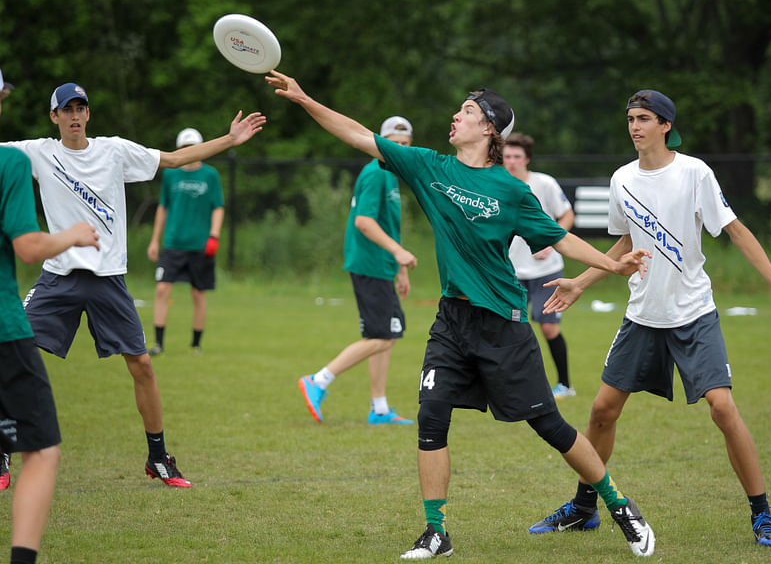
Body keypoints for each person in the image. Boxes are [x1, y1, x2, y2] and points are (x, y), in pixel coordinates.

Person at [266, 70, 656, 559]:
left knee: (551, 427)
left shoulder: (510, 190)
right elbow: (357, 134)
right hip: (452, 322)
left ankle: (621, 507)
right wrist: (304, 99)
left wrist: (611, 264)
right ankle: (436, 532)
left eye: (467, 112)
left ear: (491, 129)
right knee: (431, 420)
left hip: (503, 324)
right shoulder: (430, 166)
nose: (455, 116)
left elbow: (560, 238)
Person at [534, 89, 771, 547]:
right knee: (602, 411)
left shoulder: (694, 172)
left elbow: (736, 229)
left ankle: (762, 512)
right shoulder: (621, 178)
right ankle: (585, 508)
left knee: (723, 409)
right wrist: (580, 283)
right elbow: (625, 242)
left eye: (644, 118)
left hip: (693, 314)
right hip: (642, 315)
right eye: (630, 119)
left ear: (665, 125)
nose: (635, 127)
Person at [1, 81, 265, 488]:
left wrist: (229, 140)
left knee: (142, 365)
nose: (74, 116)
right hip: (58, 278)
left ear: (88, 114)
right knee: (8, 351)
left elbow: (176, 159)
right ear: (53, 117)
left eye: (80, 108)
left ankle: (158, 457)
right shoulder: (38, 153)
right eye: (66, 110)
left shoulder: (114, 151)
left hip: (108, 280)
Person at [0, 67, 100, 564]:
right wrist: (71, 236)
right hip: (2, 328)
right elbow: (27, 247)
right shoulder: (9, 163)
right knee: (41, 451)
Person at [298, 116, 419, 426]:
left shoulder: (390, 174)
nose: (401, 149)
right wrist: (398, 253)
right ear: (380, 142)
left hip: (382, 267)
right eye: (395, 143)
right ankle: (318, 380)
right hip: (370, 265)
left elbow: (388, 225)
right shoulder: (377, 173)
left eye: (406, 145)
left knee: (386, 335)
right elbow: (364, 222)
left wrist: (400, 269)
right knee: (383, 335)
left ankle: (379, 409)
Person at [502, 132, 576, 399]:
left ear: (527, 159)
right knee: (512, 328)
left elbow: (567, 214)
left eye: (517, 157)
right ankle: (515, 385)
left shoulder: (543, 183)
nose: (511, 161)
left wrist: (552, 240)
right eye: (507, 156)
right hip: (511, 271)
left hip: (546, 271)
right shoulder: (497, 185)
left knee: (548, 327)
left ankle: (565, 385)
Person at [146, 127, 225, 356]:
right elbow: (163, 207)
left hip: (200, 245)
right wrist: (154, 240)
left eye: (193, 147)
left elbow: (218, 207)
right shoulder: (171, 174)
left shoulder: (210, 175)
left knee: (198, 294)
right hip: (173, 244)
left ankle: (195, 345)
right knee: (162, 290)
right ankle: (159, 343)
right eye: (185, 148)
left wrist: (214, 236)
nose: (189, 152)